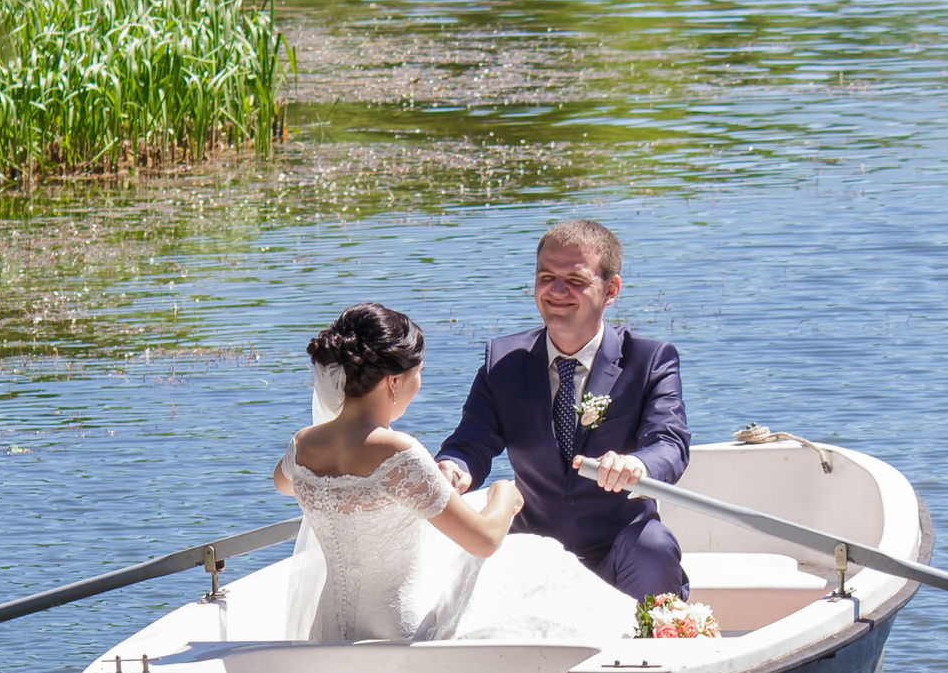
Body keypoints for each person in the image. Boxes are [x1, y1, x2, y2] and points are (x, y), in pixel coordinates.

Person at [276, 303, 637, 645]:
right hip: (397, 631)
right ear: (393, 382)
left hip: (326, 630)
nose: (419, 385)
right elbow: (483, 540)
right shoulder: (397, 451)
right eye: (419, 374)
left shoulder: (304, 444)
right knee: (539, 558)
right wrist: (504, 495)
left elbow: (285, 483)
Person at [433, 219, 690, 600]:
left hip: (621, 544)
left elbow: (669, 443)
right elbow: (470, 444)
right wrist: (453, 468)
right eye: (546, 276)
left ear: (611, 289)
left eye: (576, 280)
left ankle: (659, 651)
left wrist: (639, 465)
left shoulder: (649, 360)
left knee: (654, 549)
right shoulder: (502, 362)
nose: (556, 291)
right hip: (534, 545)